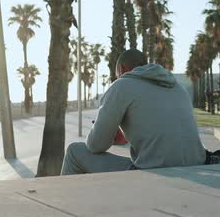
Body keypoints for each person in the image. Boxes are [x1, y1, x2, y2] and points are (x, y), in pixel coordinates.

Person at [61, 49, 206, 175]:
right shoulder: (178, 87)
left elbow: (95, 145)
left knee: (74, 151)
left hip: (155, 172)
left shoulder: (122, 84)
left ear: (122, 69)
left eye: (117, 75)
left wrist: (106, 136)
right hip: (197, 165)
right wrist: (124, 138)